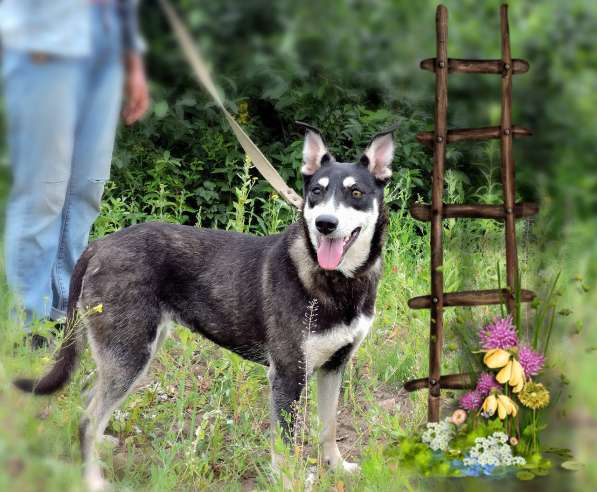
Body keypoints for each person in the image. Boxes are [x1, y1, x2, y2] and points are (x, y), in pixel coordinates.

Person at [0, 0, 149, 335]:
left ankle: (62, 316)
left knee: (86, 187)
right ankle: (28, 325)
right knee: (44, 189)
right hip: (42, 38)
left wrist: (132, 59)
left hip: (105, 42)